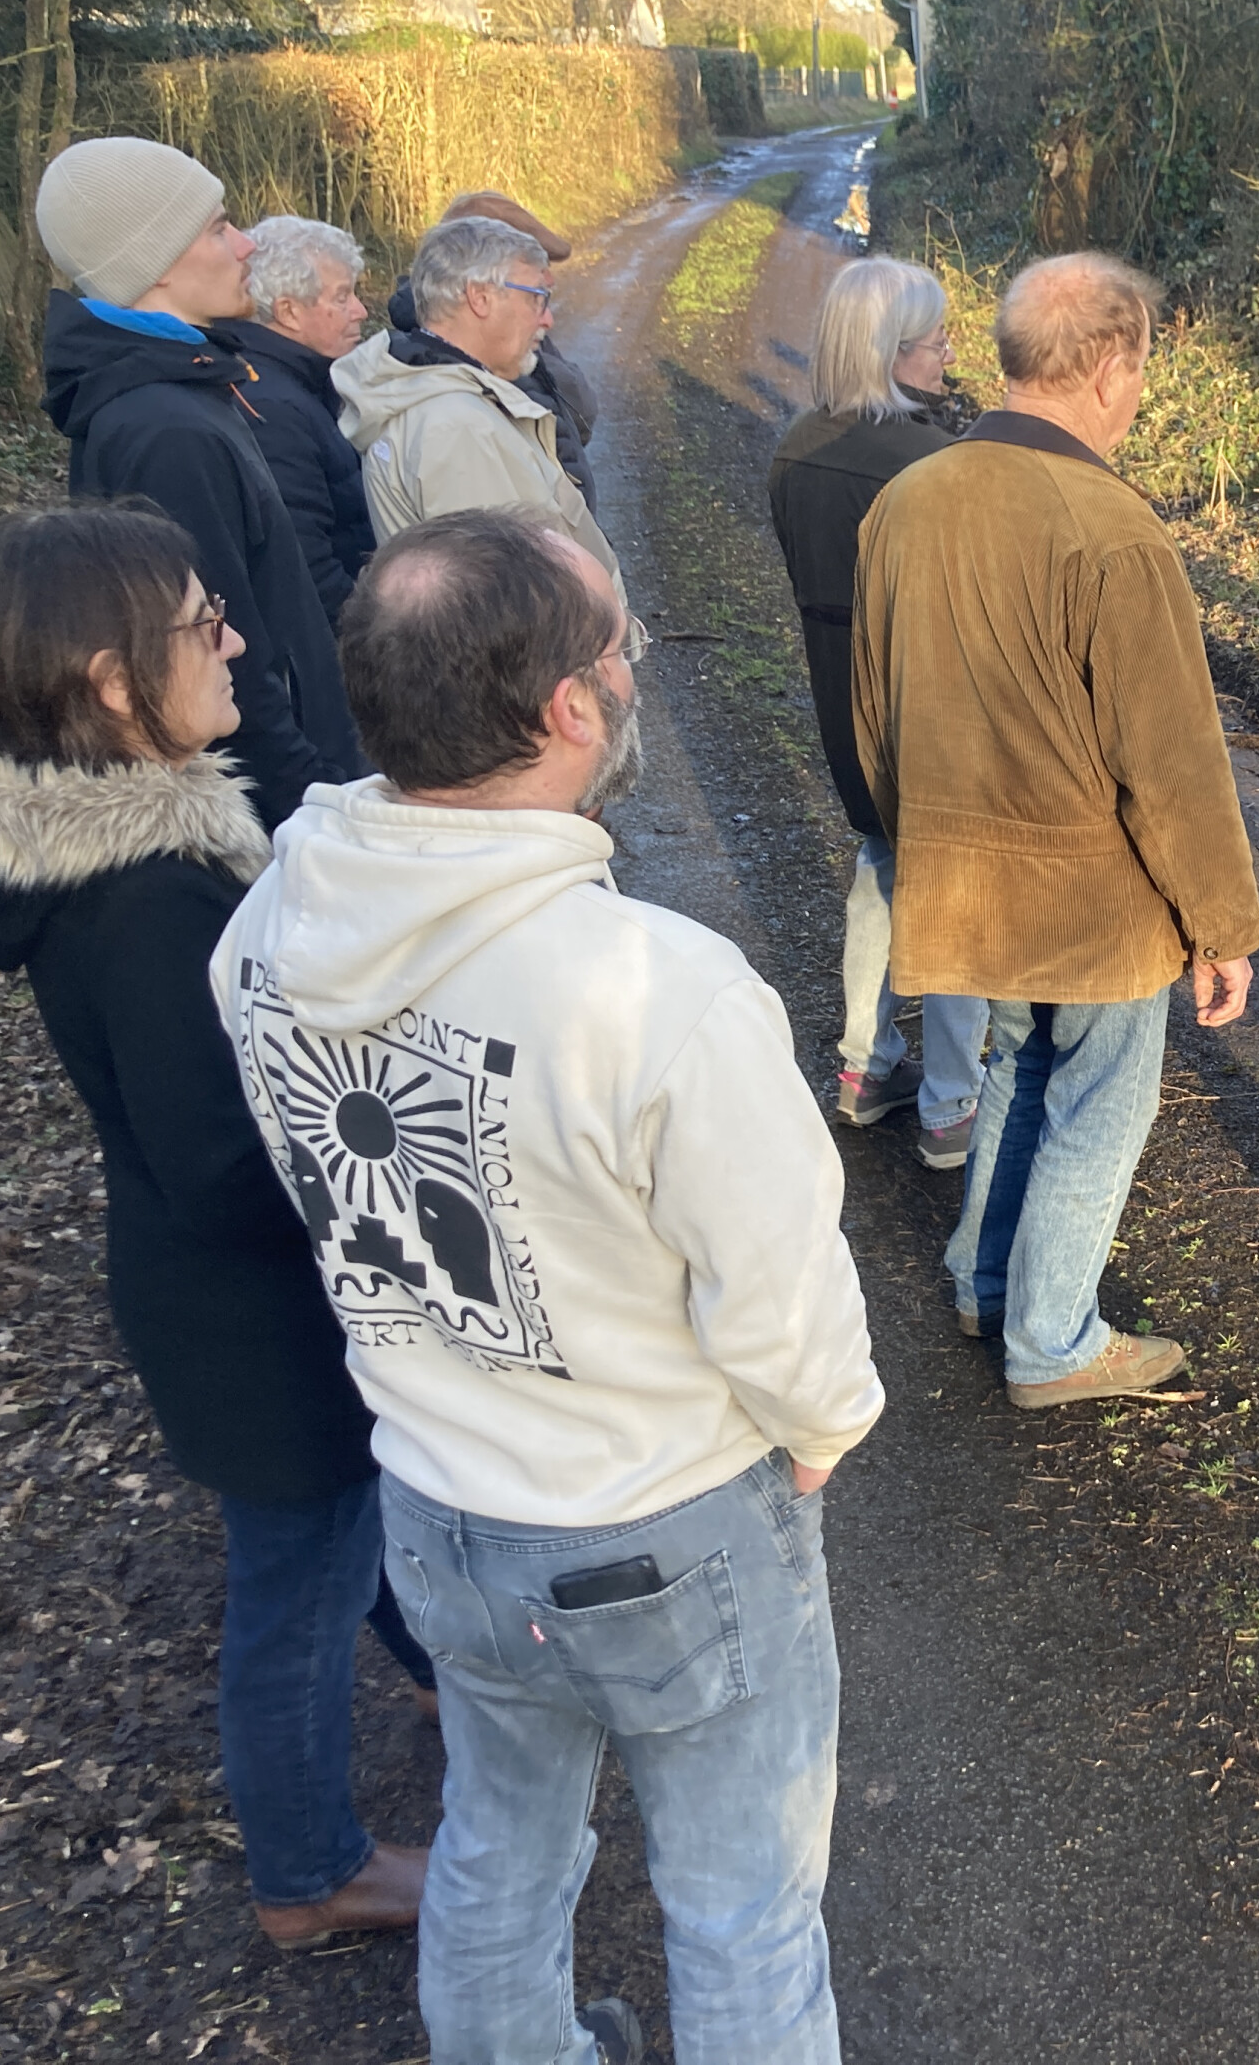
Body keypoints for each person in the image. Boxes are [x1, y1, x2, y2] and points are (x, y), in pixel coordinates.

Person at [216, 510, 881, 2065]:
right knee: (742, 1905)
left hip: (437, 1503)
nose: (631, 672)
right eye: (618, 649)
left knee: (497, 1846)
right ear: (571, 707)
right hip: (664, 1516)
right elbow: (779, 1295)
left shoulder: (263, 932)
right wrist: (823, 1427)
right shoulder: (660, 989)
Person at [0, 502, 430, 1953]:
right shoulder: (143, 898)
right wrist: (372, 1187)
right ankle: (309, 1872)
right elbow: (218, 1160)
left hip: (211, 1292)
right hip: (248, 1313)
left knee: (342, 1525)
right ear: (112, 682)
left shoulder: (119, 854)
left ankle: (447, 1678)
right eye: (205, 624)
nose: (238, 641)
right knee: (299, 1581)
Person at [855, 253, 1259, 1409]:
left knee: (1017, 1069)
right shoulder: (1113, 529)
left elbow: (873, 712)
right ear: (1109, 369)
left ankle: (986, 1280)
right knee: (1098, 1103)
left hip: (963, 883)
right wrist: (1223, 928)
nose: (1137, 397)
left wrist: (918, 843)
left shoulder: (907, 500)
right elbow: (1170, 765)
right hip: (1093, 907)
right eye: (1141, 373)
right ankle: (1051, 1341)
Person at [36, 136, 359, 831]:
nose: (246, 246)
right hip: (281, 811)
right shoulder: (166, 430)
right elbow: (213, 653)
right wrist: (317, 807)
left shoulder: (187, 389)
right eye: (218, 228)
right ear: (154, 265)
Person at [769, 256, 991, 1168]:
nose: (950, 355)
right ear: (893, 352)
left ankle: (865, 1066)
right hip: (933, 714)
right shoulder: (932, 465)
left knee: (881, 864)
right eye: (937, 341)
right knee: (957, 894)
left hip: (843, 710)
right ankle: (951, 1104)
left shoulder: (794, 448)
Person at [335, 216, 620, 576]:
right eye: (536, 298)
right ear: (480, 297)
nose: (547, 319)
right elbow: (503, 592)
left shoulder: (439, 396)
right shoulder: (455, 427)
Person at [384, 190, 603, 509]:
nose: (547, 318)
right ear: (480, 292)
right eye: (532, 285)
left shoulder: (463, 348)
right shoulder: (453, 411)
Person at [213, 215, 379, 625]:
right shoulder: (273, 409)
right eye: (342, 297)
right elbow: (308, 569)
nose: (361, 310)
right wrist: (376, 642)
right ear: (288, 311)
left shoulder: (304, 385)